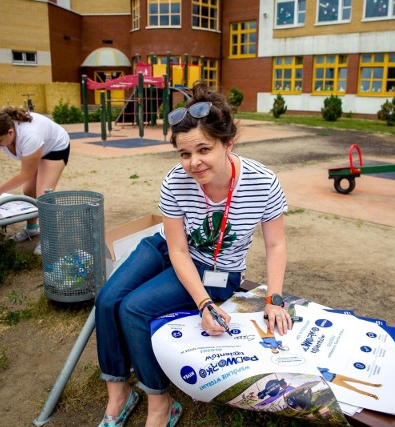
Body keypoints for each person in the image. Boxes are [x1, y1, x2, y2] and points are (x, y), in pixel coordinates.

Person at [95, 81, 290, 427]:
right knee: (108, 298)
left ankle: (160, 400)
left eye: (204, 150)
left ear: (227, 144)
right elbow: (177, 248)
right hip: (172, 250)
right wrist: (202, 304)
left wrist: (273, 298)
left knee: (134, 309)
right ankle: (118, 392)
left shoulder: (263, 182)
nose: (193, 163)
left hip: (218, 269)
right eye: (185, 154)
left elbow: (275, 245)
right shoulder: (174, 181)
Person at [0, 107, 70, 254]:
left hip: (55, 147)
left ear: (10, 132)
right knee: (28, 190)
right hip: (36, 147)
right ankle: (31, 229)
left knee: (43, 195)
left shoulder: (30, 136)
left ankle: (50, 238)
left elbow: (25, 174)